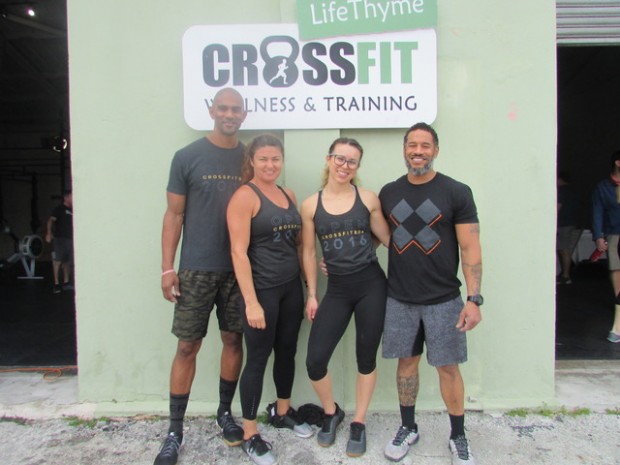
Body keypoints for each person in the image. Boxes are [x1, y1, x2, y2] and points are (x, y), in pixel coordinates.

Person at [379, 123, 482, 465]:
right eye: (412, 145)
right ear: (404, 149)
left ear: (436, 150)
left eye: (425, 145)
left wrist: (474, 299)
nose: (418, 151)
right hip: (400, 298)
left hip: (444, 299)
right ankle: (408, 428)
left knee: (448, 368)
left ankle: (458, 435)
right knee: (406, 364)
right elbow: (375, 234)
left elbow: (470, 248)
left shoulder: (456, 192)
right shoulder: (389, 193)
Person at [154, 88, 247, 465]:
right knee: (187, 346)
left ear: (244, 114)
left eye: (235, 109)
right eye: (223, 108)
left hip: (239, 270)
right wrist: (167, 267)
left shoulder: (251, 158)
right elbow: (173, 214)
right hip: (195, 269)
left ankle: (224, 413)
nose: (229, 114)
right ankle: (174, 431)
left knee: (233, 339)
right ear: (211, 110)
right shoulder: (187, 157)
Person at [301, 137, 391, 458]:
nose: (344, 166)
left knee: (366, 358)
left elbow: (386, 238)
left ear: (357, 166)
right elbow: (309, 252)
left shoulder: (367, 198)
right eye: (340, 158)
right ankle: (331, 412)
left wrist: (362, 249)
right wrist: (312, 294)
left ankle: (359, 421)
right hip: (337, 290)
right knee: (315, 361)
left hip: (371, 286)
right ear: (329, 159)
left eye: (352, 161)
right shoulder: (310, 205)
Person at [227, 134, 312, 465]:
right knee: (258, 358)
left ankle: (282, 411)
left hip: (290, 288)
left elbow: (298, 244)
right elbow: (238, 253)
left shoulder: (288, 194)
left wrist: (309, 285)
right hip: (262, 291)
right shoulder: (244, 197)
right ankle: (250, 433)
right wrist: (251, 302)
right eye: (263, 159)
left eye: (275, 159)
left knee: (287, 351)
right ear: (251, 160)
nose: (270, 165)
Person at [591, 149, 620, 343]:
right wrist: (598, 236)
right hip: (615, 233)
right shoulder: (603, 187)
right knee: (616, 271)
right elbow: (597, 211)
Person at [45, 190, 73, 294]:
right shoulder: (59, 209)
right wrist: (49, 233)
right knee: (58, 260)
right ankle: (56, 284)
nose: (73, 198)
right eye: (71, 196)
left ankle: (66, 283)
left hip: (70, 239)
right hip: (60, 239)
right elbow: (50, 220)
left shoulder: (73, 210)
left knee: (67, 262)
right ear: (66, 198)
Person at [556, 171, 580, 285]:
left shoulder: (561, 191)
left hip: (564, 223)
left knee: (563, 249)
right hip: (573, 223)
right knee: (565, 249)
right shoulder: (573, 191)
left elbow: (557, 208)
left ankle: (566, 275)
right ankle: (566, 272)